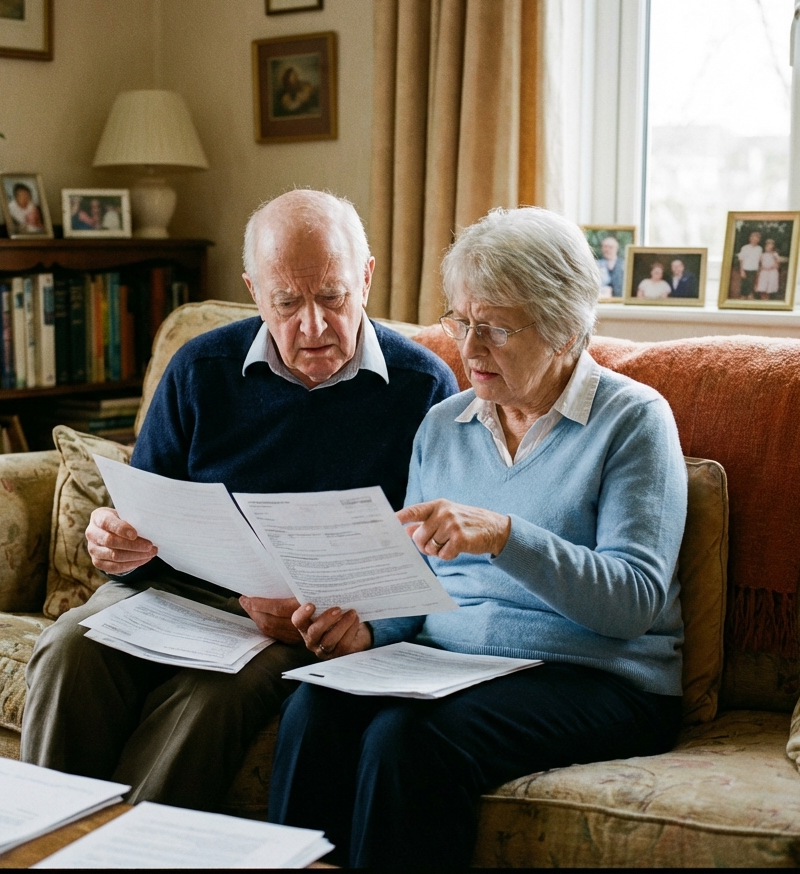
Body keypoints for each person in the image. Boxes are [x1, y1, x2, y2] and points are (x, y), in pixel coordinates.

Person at [267, 206, 687, 868]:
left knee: (407, 739)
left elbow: (632, 602)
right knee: (315, 704)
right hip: (455, 665)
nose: (469, 347)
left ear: (563, 328)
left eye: (494, 328)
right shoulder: (444, 426)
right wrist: (369, 631)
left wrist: (504, 536)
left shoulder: (633, 421)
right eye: (462, 322)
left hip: (596, 677)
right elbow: (416, 582)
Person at [20, 189, 458, 812]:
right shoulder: (201, 367)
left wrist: (346, 617)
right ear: (254, 291)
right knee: (69, 649)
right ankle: (41, 837)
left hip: (299, 617)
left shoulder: (422, 386)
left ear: (365, 278)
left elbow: (430, 554)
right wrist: (116, 545)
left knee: (211, 702)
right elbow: (143, 522)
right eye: (287, 302)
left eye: (332, 297)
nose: (312, 326)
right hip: (179, 595)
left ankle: (133, 856)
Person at [735, 230, 763, 299]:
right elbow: (741, 259)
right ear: (750, 238)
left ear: (758, 240)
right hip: (745, 269)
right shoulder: (745, 248)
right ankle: (743, 298)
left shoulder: (759, 249)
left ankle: (750, 297)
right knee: (744, 286)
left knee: (752, 286)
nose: (754, 240)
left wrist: (759, 270)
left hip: (754, 270)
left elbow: (760, 260)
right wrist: (742, 271)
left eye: (756, 239)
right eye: (753, 238)